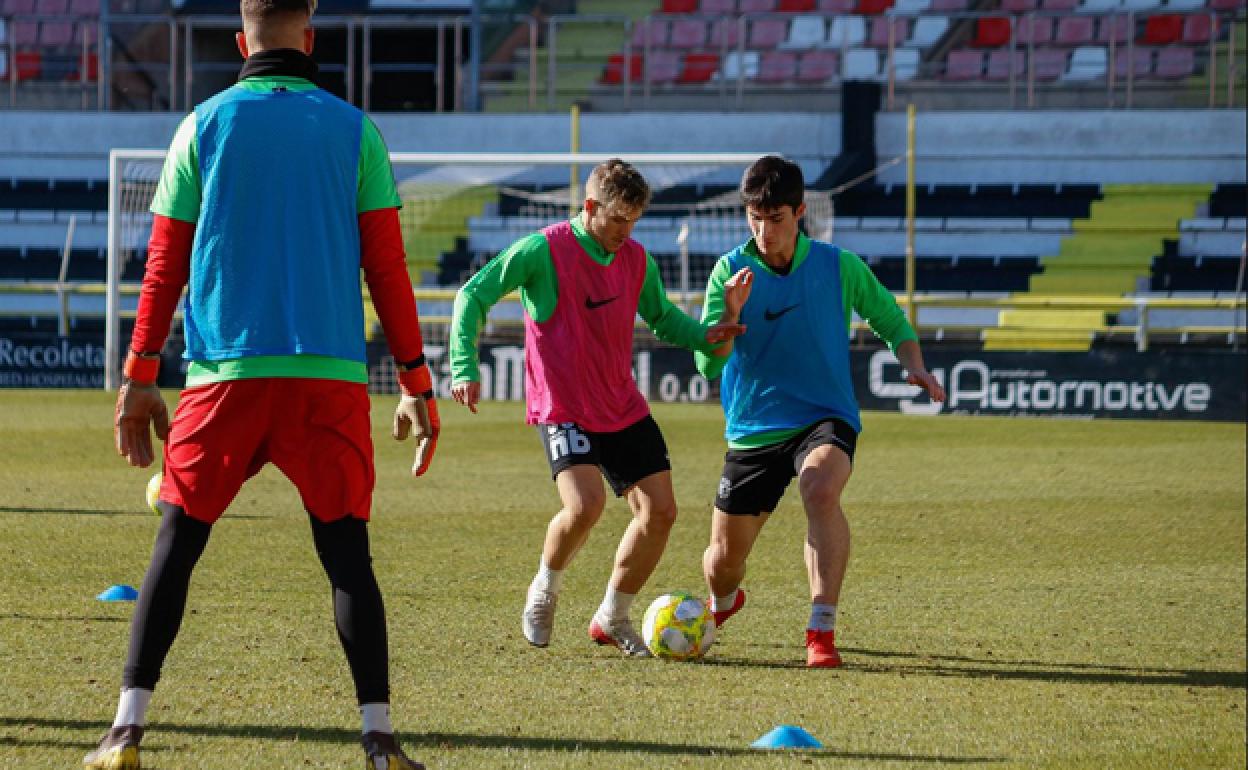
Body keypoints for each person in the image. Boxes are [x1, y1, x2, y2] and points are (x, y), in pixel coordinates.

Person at [85, 1, 437, 768]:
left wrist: (139, 378)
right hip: (329, 380)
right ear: (310, 37)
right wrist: (416, 380)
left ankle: (124, 730)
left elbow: (164, 266)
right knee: (349, 560)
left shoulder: (201, 126)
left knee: (175, 547)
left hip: (224, 376)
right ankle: (379, 739)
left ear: (241, 40)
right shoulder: (355, 130)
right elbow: (387, 268)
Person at [449, 159, 753, 657]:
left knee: (661, 512)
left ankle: (613, 615)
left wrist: (704, 334)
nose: (625, 231)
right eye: (617, 220)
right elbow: (473, 295)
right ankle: (544, 590)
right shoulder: (541, 250)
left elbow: (661, 318)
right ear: (590, 207)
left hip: (621, 403)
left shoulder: (635, 258)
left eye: (633, 221)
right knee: (585, 504)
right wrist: (463, 364)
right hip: (563, 405)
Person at [695, 155, 946, 668]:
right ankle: (725, 602)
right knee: (722, 564)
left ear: (800, 211)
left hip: (825, 415)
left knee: (820, 487)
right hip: (754, 427)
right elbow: (705, 364)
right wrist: (730, 313)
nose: (764, 232)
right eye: (754, 218)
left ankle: (821, 631)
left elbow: (891, 321)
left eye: (776, 218)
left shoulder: (838, 265)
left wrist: (915, 365)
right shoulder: (728, 272)